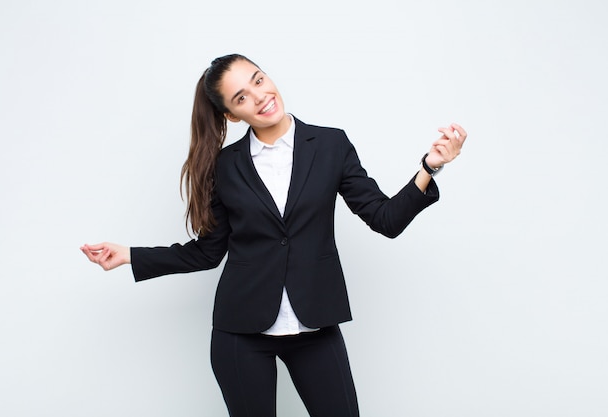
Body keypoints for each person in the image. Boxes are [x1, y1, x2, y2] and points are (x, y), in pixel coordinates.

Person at [81, 53, 467, 417]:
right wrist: (130, 254)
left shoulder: (331, 144)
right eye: (242, 97)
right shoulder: (225, 167)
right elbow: (207, 252)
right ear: (231, 114)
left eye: (259, 80)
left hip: (314, 324)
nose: (261, 97)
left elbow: (385, 219)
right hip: (241, 332)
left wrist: (429, 167)